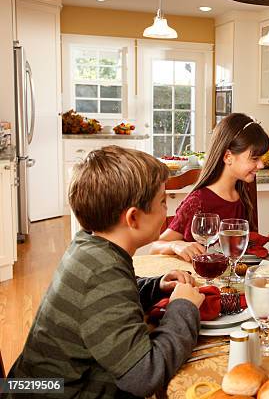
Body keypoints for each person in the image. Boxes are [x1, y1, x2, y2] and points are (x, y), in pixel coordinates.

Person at [8, 146, 205, 398]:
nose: (168, 211)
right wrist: (182, 307)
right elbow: (144, 376)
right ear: (133, 218)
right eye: (163, 201)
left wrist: (156, 286)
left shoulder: (90, 245)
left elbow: (108, 302)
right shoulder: (101, 273)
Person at [150, 113, 269, 261]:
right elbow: (154, 247)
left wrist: (266, 241)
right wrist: (176, 245)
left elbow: (244, 247)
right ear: (228, 157)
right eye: (255, 158)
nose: (261, 165)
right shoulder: (198, 201)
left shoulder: (244, 191)